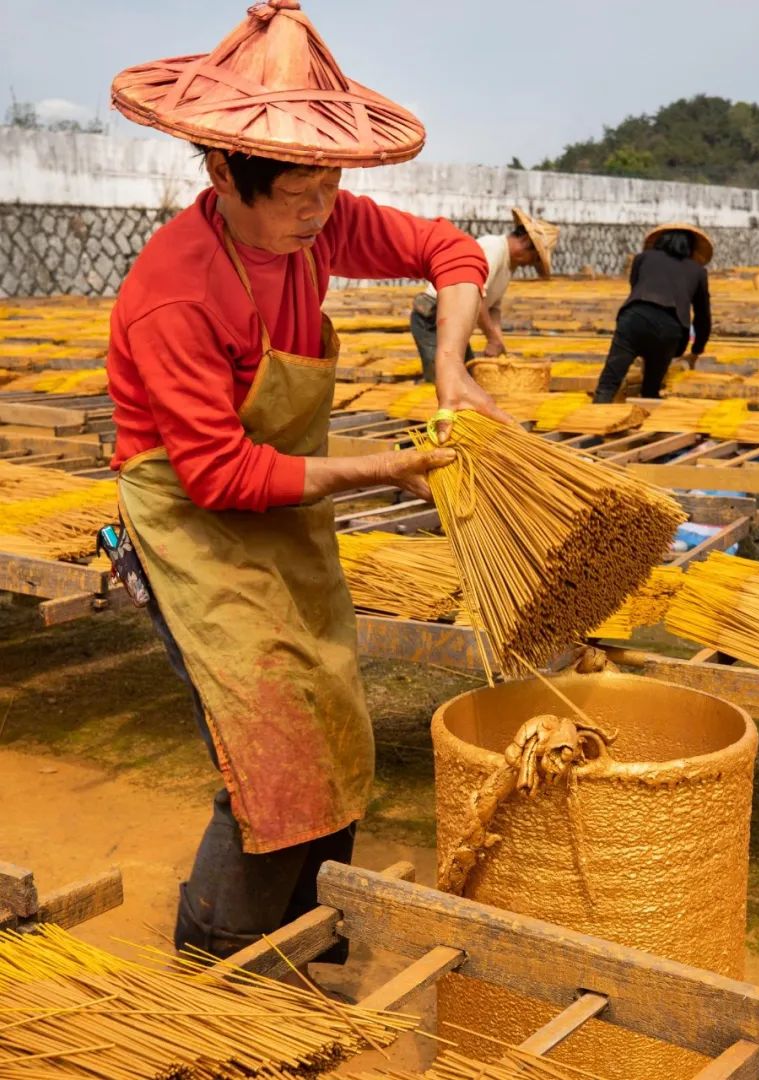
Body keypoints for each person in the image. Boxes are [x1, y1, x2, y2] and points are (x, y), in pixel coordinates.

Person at [106, 0, 509, 970]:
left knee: (332, 708)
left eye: (330, 188)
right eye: (298, 195)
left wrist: (451, 366)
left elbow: (451, 252)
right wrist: (386, 469)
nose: (320, 213)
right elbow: (219, 473)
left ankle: (307, 945)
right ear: (221, 172)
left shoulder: (321, 222)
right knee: (269, 741)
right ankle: (221, 959)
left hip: (282, 508)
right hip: (192, 521)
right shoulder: (173, 290)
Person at [410, 209, 559, 381]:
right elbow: (476, 298)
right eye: (534, 259)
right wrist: (491, 338)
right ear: (526, 241)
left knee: (466, 378)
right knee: (444, 379)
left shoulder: (508, 266)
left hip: (453, 320)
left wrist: (498, 342)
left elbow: (493, 308)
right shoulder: (493, 248)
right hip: (432, 316)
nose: (529, 265)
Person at [593, 224, 712, 403]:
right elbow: (703, 316)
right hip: (670, 329)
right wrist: (696, 350)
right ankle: (649, 404)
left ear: (660, 240)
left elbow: (636, 287)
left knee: (608, 384)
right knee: (651, 389)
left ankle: (598, 410)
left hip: (634, 319)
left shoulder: (643, 258)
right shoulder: (697, 271)